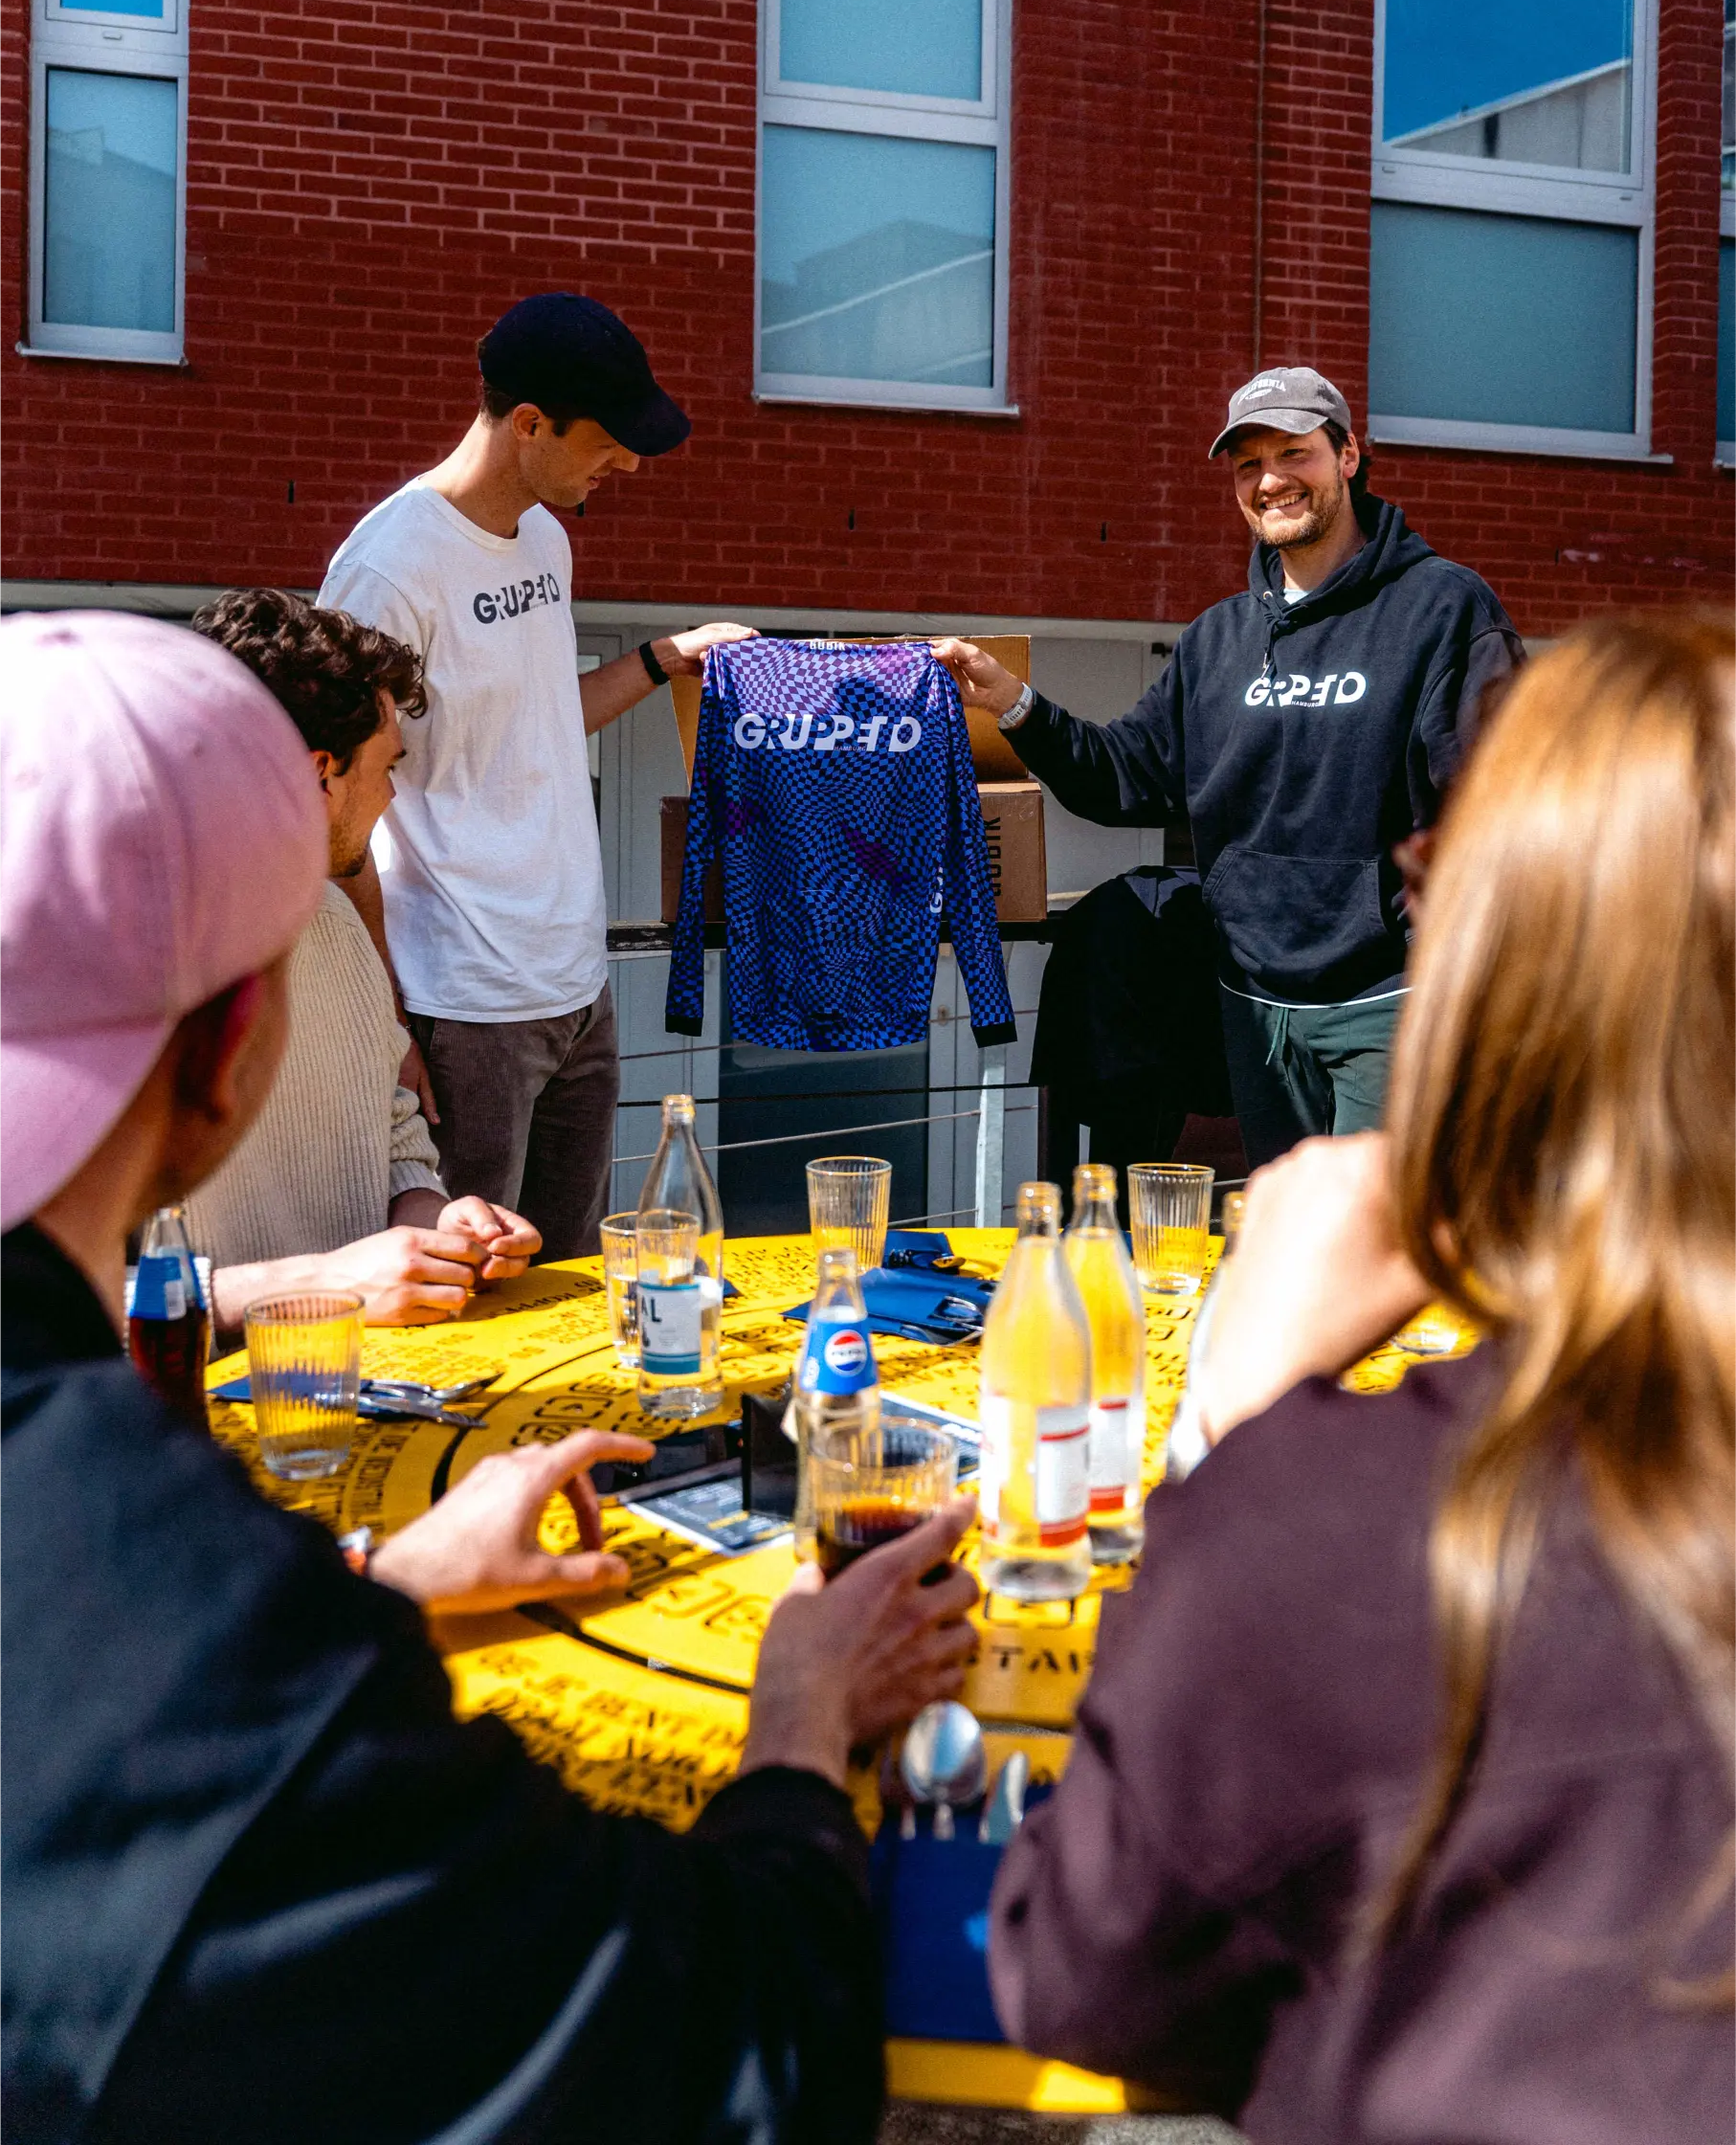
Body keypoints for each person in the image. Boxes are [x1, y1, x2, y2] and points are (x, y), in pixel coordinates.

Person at [0, 608, 977, 2145]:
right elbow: (734, 2064)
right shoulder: (188, 1606)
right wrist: (798, 1727)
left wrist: (380, 1575)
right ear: (232, 1038)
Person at [990, 610, 1736, 2141]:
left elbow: (1089, 1976)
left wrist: (1241, 1436)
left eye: (1428, 882)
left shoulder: (1348, 1529)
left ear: (1493, 967)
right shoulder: (1212, 648)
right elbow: (1131, 770)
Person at [935, 366, 1524, 1165]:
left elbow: (1491, 809)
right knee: (1285, 1230)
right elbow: (1123, 778)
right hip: (1253, 1009)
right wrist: (1015, 704)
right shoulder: (1217, 640)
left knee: (1382, 1246)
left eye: (1295, 454)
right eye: (1249, 465)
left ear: (1349, 456)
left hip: (1390, 1007)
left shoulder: (1443, 609)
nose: (1271, 480)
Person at [319, 292, 754, 1261]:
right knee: (465, 1293)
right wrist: (383, 1009)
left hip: (575, 983)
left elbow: (538, 717)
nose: (628, 463)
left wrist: (656, 659)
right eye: (608, 439)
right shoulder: (388, 570)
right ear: (528, 423)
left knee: (565, 1288)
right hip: (460, 1004)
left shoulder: (546, 538)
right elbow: (334, 801)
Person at [183, 588, 540, 1331]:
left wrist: (442, 1227)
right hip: (194, 1426)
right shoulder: (98, 971)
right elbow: (47, 1314)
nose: (389, 794)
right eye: (386, 767)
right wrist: (322, 1282)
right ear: (320, 773)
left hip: (371, 1387)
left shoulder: (338, 925)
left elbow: (398, 1147)